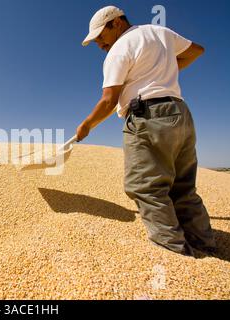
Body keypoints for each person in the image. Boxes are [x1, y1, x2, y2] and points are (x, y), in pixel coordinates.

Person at [76, 5, 216, 257]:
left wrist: (86, 125)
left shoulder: (119, 49)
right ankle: (205, 245)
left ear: (116, 23)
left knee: (145, 187)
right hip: (179, 113)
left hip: (147, 117)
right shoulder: (158, 31)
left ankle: (175, 255)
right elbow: (196, 51)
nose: (99, 44)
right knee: (182, 186)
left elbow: (109, 100)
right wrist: (160, 71)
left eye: (100, 36)